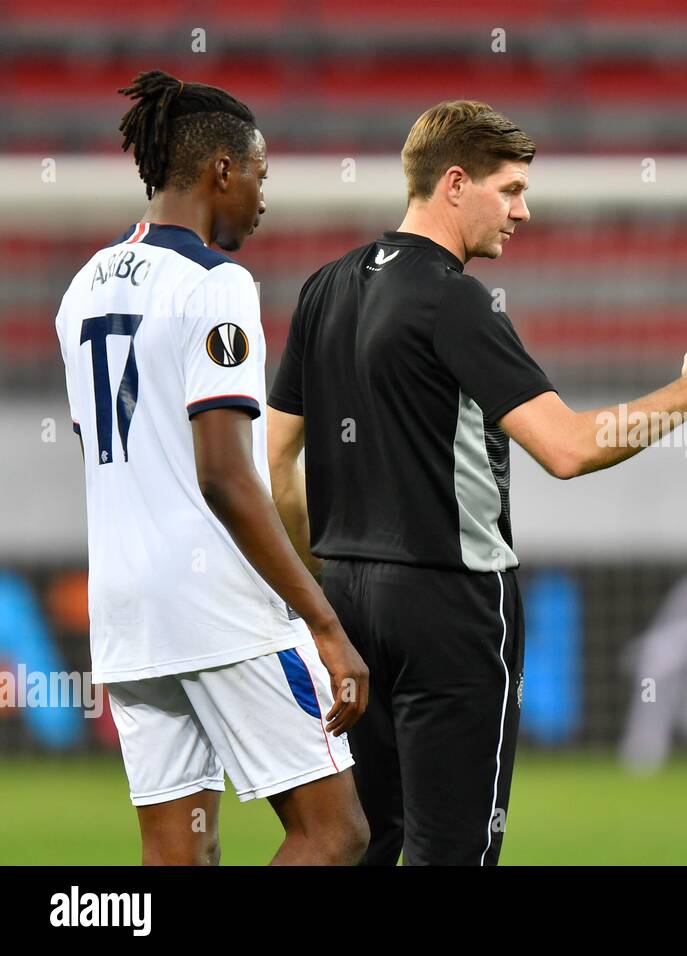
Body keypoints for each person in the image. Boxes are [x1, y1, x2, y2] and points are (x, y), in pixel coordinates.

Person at [267, 100, 687, 865]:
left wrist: (322, 583)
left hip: (346, 601)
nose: (524, 210)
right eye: (510, 188)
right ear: (455, 183)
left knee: (369, 844)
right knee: (452, 852)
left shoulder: (327, 287)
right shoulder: (454, 300)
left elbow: (275, 460)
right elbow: (570, 447)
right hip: (449, 606)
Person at [54, 71, 369, 865]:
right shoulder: (215, 284)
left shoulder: (80, 291)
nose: (263, 198)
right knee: (335, 835)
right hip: (218, 604)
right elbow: (224, 476)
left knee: (177, 856)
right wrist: (325, 625)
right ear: (222, 169)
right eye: (260, 174)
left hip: (127, 611)